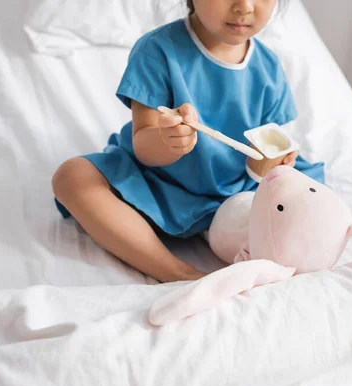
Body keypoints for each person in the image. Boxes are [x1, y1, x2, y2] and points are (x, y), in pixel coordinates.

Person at [51, 0, 324, 283]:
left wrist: (275, 162)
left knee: (305, 209)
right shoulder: (157, 51)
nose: (244, 6)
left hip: (237, 191)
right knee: (72, 177)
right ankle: (176, 271)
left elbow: (266, 148)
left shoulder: (268, 66)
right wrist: (167, 141)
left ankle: (235, 241)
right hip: (162, 186)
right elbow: (143, 145)